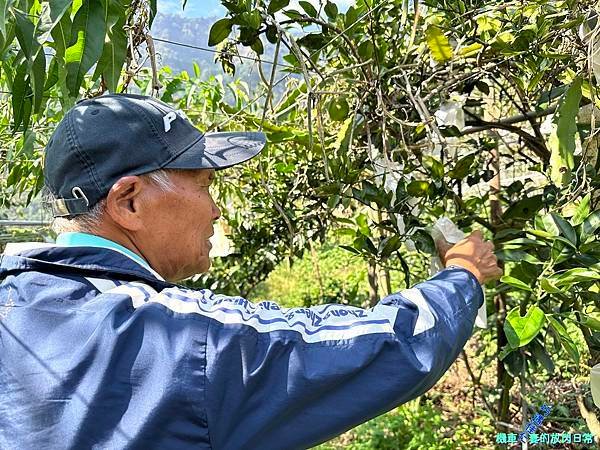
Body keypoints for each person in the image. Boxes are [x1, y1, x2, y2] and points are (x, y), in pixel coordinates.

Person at [0, 94, 502, 450]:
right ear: (129, 201)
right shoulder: (181, 339)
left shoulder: (13, 304)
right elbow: (384, 344)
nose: (216, 210)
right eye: (202, 184)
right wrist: (462, 274)